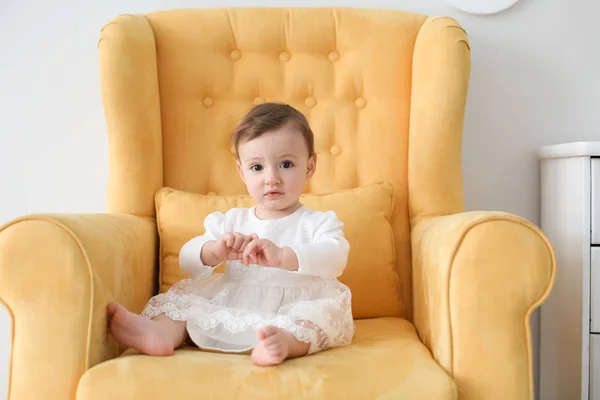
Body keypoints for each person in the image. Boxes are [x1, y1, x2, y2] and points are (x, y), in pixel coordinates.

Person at [107, 102, 355, 366]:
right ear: (242, 172)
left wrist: (284, 256)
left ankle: (280, 344)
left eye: (285, 164)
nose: (272, 178)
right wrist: (215, 250)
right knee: (182, 305)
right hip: (234, 303)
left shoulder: (317, 222)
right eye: (257, 167)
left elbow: (335, 256)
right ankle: (161, 334)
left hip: (294, 304)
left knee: (314, 321)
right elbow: (188, 261)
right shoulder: (232, 221)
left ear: (309, 166)